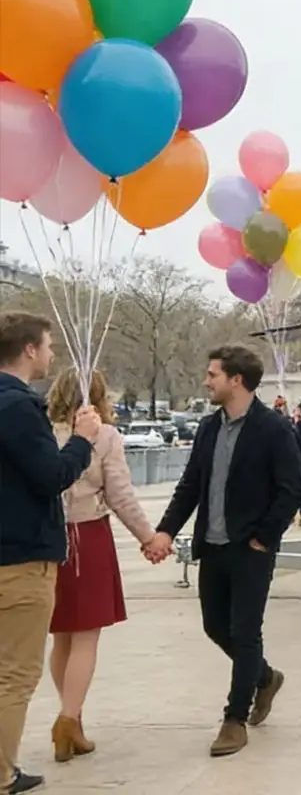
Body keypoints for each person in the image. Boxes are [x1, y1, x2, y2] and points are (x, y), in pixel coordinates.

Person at [142, 346, 301, 759]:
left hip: (251, 549)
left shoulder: (273, 429)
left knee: (246, 631)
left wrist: (264, 537)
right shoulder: (210, 427)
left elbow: (291, 489)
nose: (206, 380)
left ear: (236, 380)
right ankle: (265, 677)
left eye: (213, 374)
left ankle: (234, 719)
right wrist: (165, 530)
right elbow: (191, 486)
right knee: (216, 627)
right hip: (211, 547)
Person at [0, 312, 101, 795]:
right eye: (49, 345)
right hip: (19, 558)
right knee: (15, 674)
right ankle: (2, 772)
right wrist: (83, 441)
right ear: (29, 350)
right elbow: (50, 476)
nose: (53, 353)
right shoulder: (19, 407)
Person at [45, 368, 163, 764]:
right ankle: (68, 719)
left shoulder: (43, 432)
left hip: (47, 538)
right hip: (88, 538)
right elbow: (120, 494)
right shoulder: (105, 436)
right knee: (85, 637)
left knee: (61, 635)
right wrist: (148, 537)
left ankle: (72, 720)